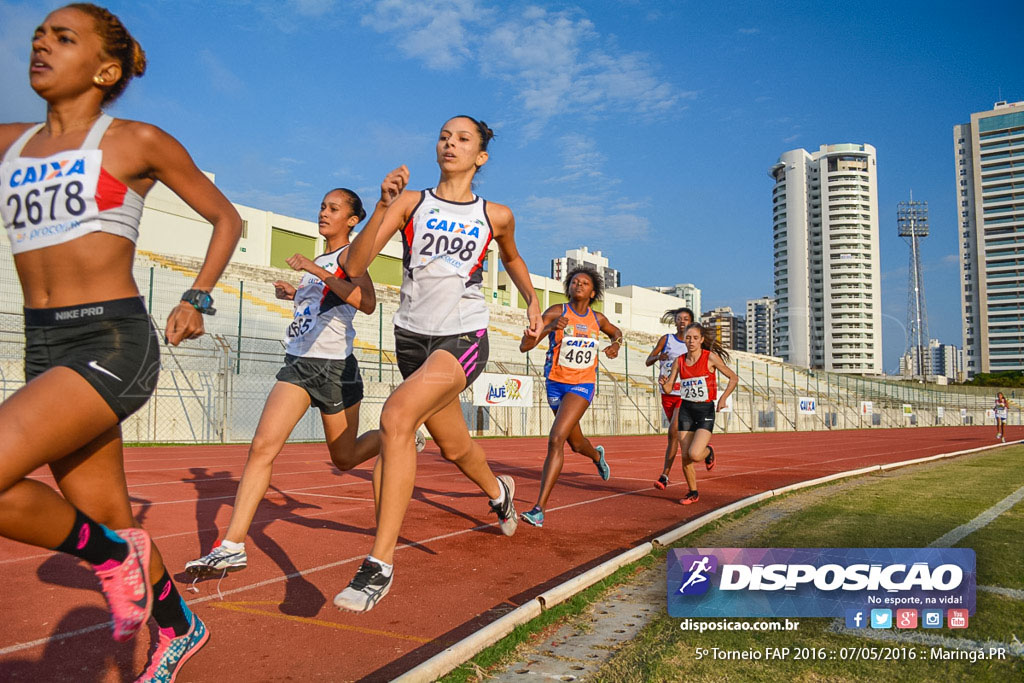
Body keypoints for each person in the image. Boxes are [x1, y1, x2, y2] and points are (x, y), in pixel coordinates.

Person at [0, 4, 241, 681]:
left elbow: (225, 217)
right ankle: (178, 623)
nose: (41, 43)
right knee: (106, 514)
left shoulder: (133, 141)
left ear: (105, 69)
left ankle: (110, 555)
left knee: (97, 532)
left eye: (63, 37)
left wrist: (196, 296)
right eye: (39, 34)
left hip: (112, 339)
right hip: (43, 346)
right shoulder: (9, 143)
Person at [332, 115, 542, 612]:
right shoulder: (411, 202)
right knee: (454, 446)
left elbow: (511, 257)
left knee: (397, 417)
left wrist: (532, 301)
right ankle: (499, 492)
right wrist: (383, 203)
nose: (450, 144)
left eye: (462, 139)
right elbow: (354, 267)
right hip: (412, 341)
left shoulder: (496, 215)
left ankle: (378, 565)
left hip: (464, 335)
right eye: (444, 136)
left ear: (481, 156)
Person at [185, 186, 404, 578]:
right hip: (299, 365)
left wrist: (316, 272)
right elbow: (322, 304)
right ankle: (233, 545)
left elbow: (367, 303)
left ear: (352, 220)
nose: (324, 213)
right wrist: (294, 292)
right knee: (262, 446)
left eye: (334, 208)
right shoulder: (322, 258)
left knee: (345, 458)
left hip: (335, 369)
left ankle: (399, 436)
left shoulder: (348, 259)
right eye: (322, 206)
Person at [517, 266, 621, 528]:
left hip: (582, 385)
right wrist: (550, 327)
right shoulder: (556, 312)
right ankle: (596, 456)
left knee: (556, 438)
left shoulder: (598, 319)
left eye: (584, 283)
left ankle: (539, 509)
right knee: (575, 444)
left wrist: (616, 344)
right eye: (575, 281)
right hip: (555, 384)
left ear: (593, 291)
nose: (578, 285)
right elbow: (524, 346)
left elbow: (616, 332)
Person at [659, 323, 738, 504]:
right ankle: (692, 492)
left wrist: (723, 398)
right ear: (684, 340)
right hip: (686, 409)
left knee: (695, 454)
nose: (691, 341)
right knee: (685, 455)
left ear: (702, 340)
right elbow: (670, 387)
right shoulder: (679, 361)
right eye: (688, 338)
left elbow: (733, 378)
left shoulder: (710, 358)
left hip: (704, 410)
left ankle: (708, 452)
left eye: (695, 338)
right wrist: (664, 384)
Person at [645, 307, 699, 501]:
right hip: (666, 394)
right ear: (675, 322)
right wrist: (659, 357)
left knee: (672, 432)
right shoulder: (666, 340)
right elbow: (648, 361)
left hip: (684, 395)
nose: (682, 321)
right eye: (679, 319)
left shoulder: (693, 343)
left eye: (686, 319)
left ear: (691, 322)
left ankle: (664, 475)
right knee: (679, 439)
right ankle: (706, 451)